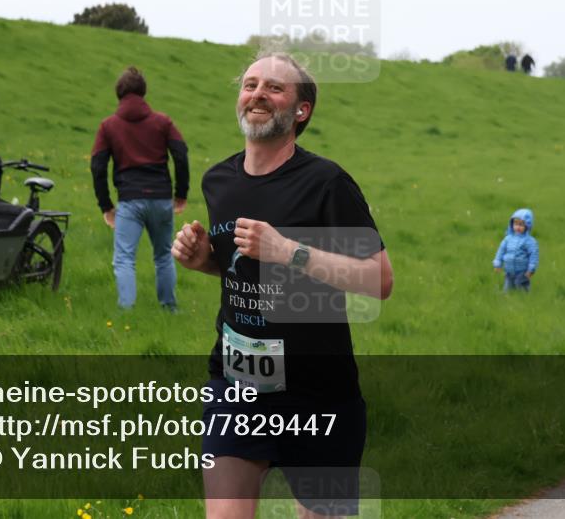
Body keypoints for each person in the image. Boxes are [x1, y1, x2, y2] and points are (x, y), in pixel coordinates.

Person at [171, 54, 393, 519]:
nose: (257, 94)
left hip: (319, 393)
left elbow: (379, 279)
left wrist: (287, 250)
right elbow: (237, 267)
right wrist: (203, 260)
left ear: (301, 110)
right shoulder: (219, 181)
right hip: (237, 386)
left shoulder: (327, 183)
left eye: (273, 87)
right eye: (250, 84)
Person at [91, 66, 189, 311]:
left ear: (119, 94)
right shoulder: (163, 122)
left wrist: (106, 206)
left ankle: (126, 311)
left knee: (124, 259)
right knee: (164, 255)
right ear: (143, 92)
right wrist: (180, 194)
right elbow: (181, 154)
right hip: (161, 199)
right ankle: (169, 308)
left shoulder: (108, 126)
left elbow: (97, 166)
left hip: (130, 201)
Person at [492, 208, 539, 292]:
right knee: (507, 289)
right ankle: (507, 300)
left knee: (521, 289)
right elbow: (501, 251)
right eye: (516, 224)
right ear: (512, 224)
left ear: (527, 226)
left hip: (522, 272)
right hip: (509, 271)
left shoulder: (529, 241)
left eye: (521, 225)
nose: (518, 227)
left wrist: (531, 269)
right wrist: (497, 263)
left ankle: (524, 300)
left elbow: (533, 255)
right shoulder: (508, 239)